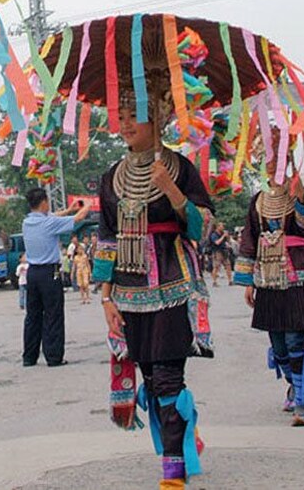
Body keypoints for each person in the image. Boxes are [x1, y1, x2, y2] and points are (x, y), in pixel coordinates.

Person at [96, 101, 215, 488]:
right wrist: (106, 297)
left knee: (166, 377)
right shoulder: (111, 176)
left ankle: (173, 471)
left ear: (157, 120)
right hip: (129, 289)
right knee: (149, 375)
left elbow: (201, 229)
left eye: (135, 116)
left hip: (173, 282)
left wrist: (171, 191)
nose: (126, 124)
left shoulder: (180, 168)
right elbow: (106, 238)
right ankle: (183, 436)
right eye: (122, 116)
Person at [235, 131, 304, 427]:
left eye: (276, 157)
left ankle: (301, 402)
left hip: (298, 277)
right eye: (266, 158)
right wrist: (248, 279)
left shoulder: (300, 193)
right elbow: (249, 240)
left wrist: (302, 196)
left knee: (294, 339)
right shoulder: (258, 201)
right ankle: (293, 383)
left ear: (286, 159)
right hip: (268, 278)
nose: (270, 163)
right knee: (277, 343)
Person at [21, 189, 90, 367]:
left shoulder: (27, 222)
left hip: (33, 273)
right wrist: (88, 205)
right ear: (44, 202)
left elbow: (53, 217)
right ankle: (53, 356)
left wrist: (68, 210)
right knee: (53, 314)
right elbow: (79, 219)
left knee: (33, 316)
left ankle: (29, 356)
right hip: (49, 273)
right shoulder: (49, 222)